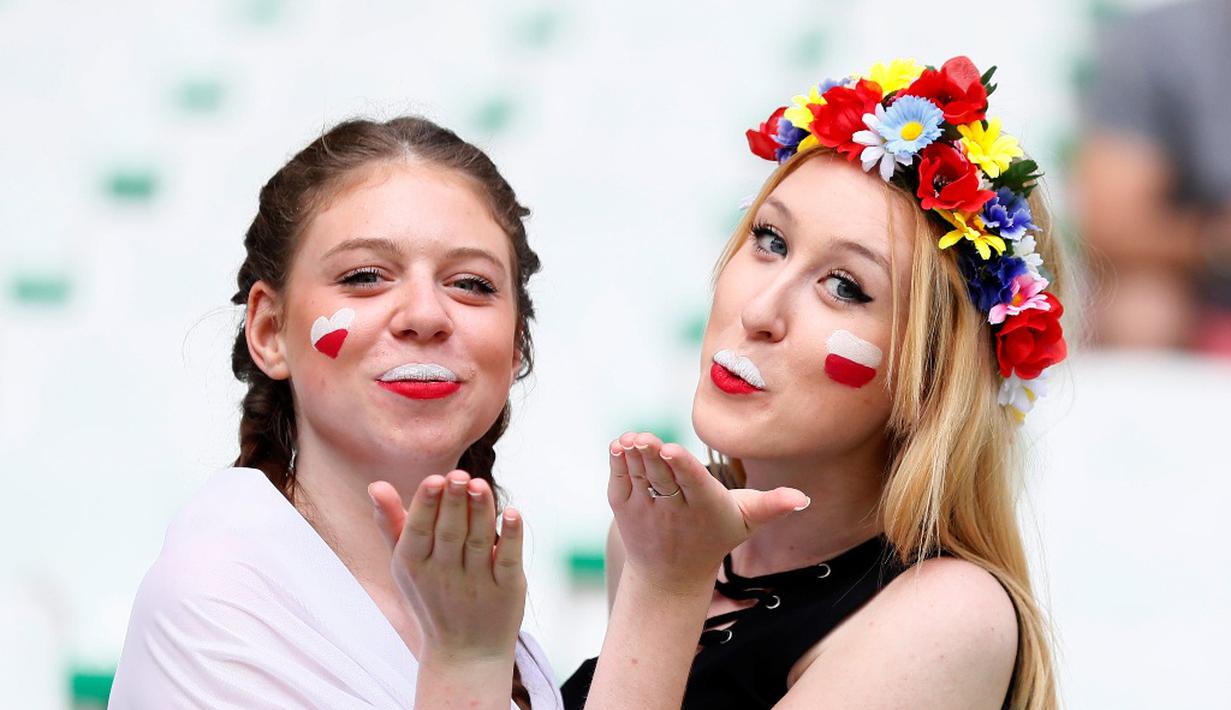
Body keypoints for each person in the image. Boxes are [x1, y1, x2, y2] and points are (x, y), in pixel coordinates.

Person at [553, 56, 1065, 708]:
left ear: (935, 378)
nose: (759, 311)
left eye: (845, 286)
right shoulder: (662, 538)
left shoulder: (948, 615)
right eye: (768, 240)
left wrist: (663, 590)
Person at [110, 116, 563, 709]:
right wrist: (465, 664)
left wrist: (662, 588)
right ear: (270, 331)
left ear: (516, 345)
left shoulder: (505, 635)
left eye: (472, 284)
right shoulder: (213, 603)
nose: (425, 314)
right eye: (365, 276)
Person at [1075, 0, 1231, 353]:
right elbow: (1112, 225)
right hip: (1202, 282)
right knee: (1139, 313)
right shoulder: (1160, 42)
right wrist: (1214, 242)